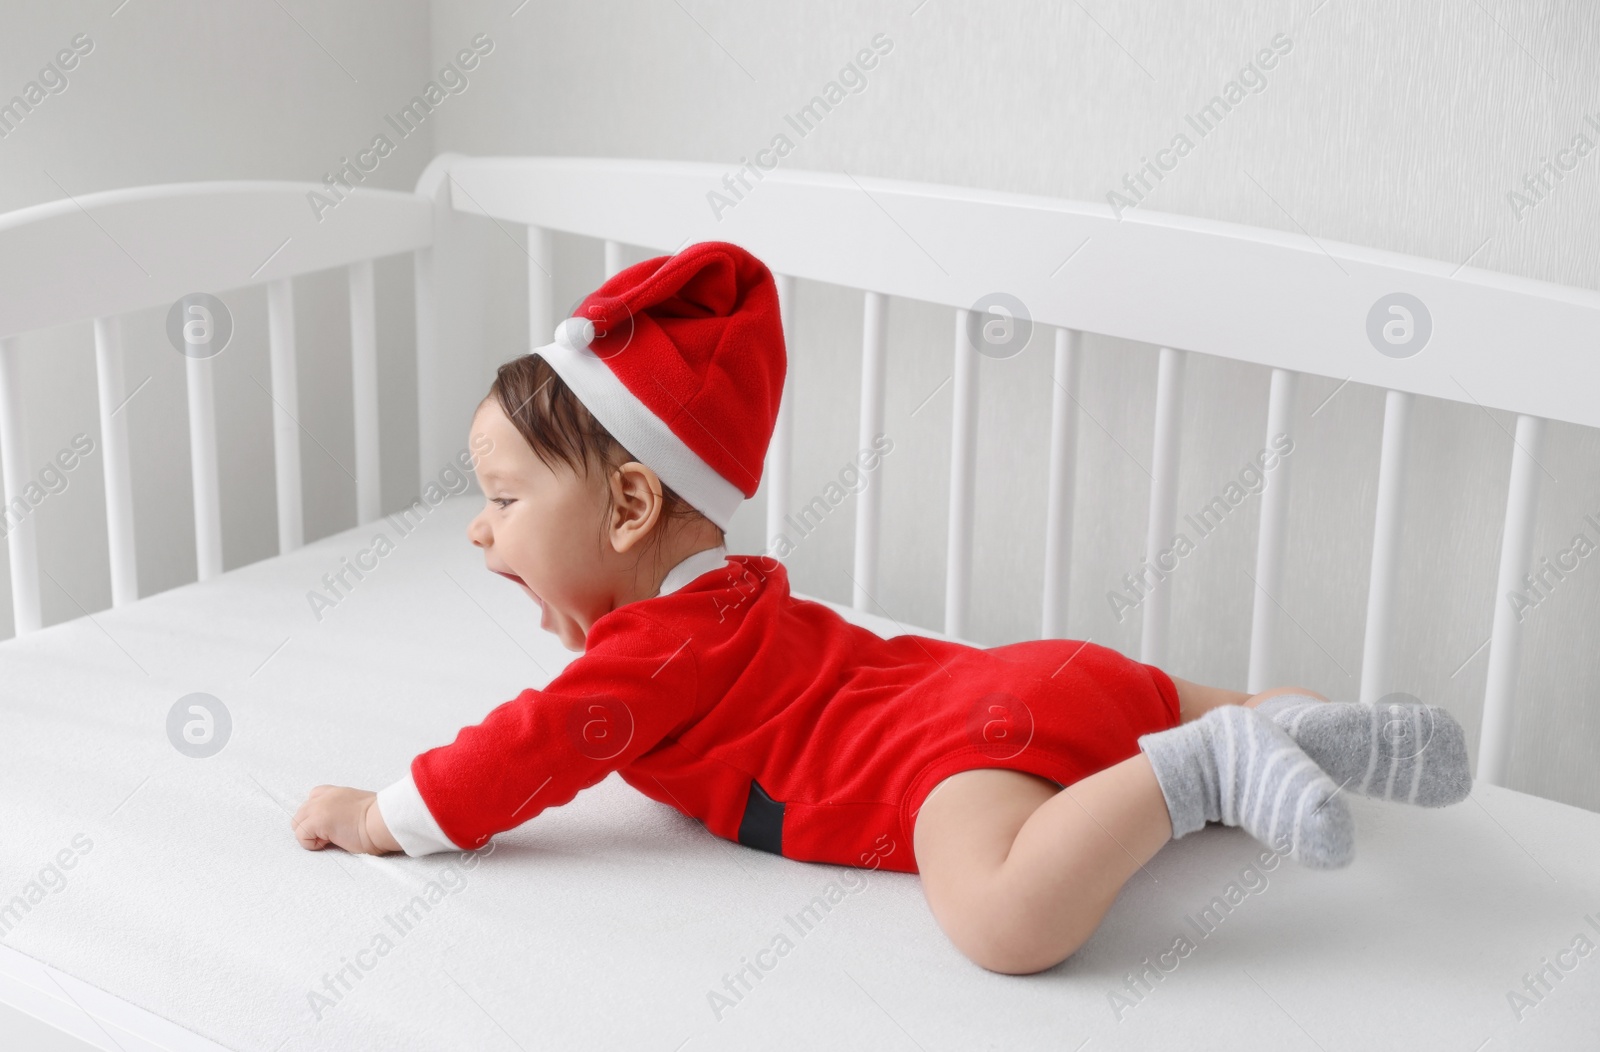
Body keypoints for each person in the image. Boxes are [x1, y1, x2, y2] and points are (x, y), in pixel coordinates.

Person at [291, 241, 1472, 975]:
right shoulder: (742, 597)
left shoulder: (650, 656)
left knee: (1008, 925)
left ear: (630, 506)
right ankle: (1316, 726)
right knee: (1212, 702)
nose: (478, 525)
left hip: (956, 757)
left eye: (500, 496)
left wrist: (375, 815)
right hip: (1038, 673)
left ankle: (1204, 769)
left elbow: (526, 750)